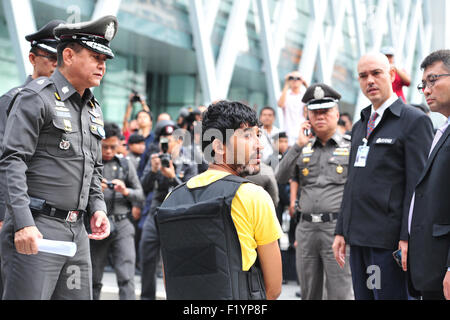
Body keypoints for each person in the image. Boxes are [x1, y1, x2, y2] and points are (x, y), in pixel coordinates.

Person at [0, 15, 117, 300]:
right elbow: (12, 161)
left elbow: (94, 168)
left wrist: (98, 208)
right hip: (38, 227)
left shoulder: (92, 107)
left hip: (77, 232)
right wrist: (24, 222)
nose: (102, 65)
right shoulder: (35, 97)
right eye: (94, 56)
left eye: (105, 58)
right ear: (68, 55)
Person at [332, 52, 434, 300]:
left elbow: (419, 187)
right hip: (359, 240)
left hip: (389, 245)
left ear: (391, 75)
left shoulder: (414, 121)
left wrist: (407, 238)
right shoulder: (360, 125)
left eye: (376, 73)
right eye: (363, 76)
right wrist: (341, 230)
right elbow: (352, 183)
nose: (370, 81)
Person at [156, 100, 282, 300]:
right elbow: (273, 288)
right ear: (218, 146)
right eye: (248, 135)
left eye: (258, 135)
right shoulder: (253, 196)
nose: (259, 144)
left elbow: (170, 279)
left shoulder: (172, 198)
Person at [0, 19, 62, 298]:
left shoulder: (68, 103)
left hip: (53, 218)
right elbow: (7, 161)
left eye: (60, 58)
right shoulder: (15, 99)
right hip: (18, 213)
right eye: (49, 57)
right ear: (32, 58)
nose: (54, 64)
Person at [276, 83, 353, 300]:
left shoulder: (352, 146)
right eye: (314, 112)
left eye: (325, 111)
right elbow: (280, 178)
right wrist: (297, 146)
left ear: (336, 114)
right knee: (309, 292)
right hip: (307, 228)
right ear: (307, 116)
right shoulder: (302, 147)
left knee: (340, 292)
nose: (320, 117)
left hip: (337, 230)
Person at [408, 50, 450, 300]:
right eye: (423, 84)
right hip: (430, 267)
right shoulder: (441, 129)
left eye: (433, 80)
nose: (426, 90)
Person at [139, 120, 198, 300]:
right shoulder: (156, 158)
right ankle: (146, 297)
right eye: (162, 141)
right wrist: (153, 171)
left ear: (179, 141)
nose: (165, 145)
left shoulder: (189, 162)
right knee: (147, 255)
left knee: (176, 262)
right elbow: (143, 186)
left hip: (177, 215)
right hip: (156, 212)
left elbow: (192, 192)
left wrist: (173, 177)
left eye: (169, 141)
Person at [90, 122, 144, 300]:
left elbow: (140, 196)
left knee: (127, 277)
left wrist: (125, 191)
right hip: (96, 224)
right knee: (93, 278)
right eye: (104, 146)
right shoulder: (90, 163)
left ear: (120, 143)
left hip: (122, 223)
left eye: (113, 147)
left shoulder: (125, 164)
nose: (108, 151)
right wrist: (96, 189)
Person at [278, 71, 309, 146]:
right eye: (292, 78)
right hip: (288, 132)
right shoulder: (285, 94)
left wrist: (306, 84)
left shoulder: (305, 94)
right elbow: (280, 104)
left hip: (302, 132)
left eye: (298, 78)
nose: (295, 80)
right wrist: (286, 84)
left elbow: (313, 99)